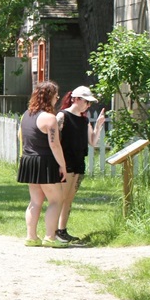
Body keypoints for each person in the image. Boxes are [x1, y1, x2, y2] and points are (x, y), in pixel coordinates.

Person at [17, 80, 69, 248]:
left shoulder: (25, 115)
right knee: (56, 200)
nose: (57, 98)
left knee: (35, 201)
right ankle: (50, 237)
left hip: (29, 160)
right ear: (50, 97)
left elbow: (21, 137)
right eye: (56, 95)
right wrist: (63, 165)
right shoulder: (50, 118)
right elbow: (54, 144)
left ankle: (31, 237)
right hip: (45, 161)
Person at [55, 86, 106, 243]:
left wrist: (98, 125)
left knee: (69, 198)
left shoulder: (84, 120)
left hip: (78, 162)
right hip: (65, 162)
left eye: (89, 103)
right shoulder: (62, 116)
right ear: (76, 99)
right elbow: (54, 140)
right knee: (61, 198)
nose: (88, 106)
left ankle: (62, 230)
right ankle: (53, 232)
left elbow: (92, 141)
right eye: (86, 102)